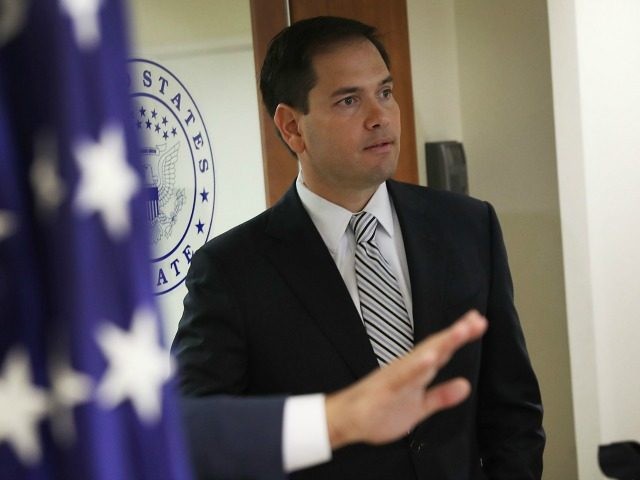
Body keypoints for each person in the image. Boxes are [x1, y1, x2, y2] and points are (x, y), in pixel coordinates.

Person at [173, 16, 545, 480]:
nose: (380, 116)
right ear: (292, 128)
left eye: (384, 92)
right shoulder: (231, 269)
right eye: (349, 100)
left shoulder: (467, 226)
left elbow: (512, 410)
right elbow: (190, 433)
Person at [181, 312, 486, 479]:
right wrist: (340, 420)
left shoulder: (472, 221)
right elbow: (179, 437)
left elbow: (513, 407)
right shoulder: (226, 261)